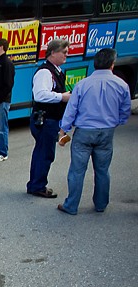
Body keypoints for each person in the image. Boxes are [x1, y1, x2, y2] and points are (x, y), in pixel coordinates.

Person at [56, 48, 132, 215]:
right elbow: (125, 110)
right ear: (112, 65)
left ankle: (71, 205)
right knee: (103, 170)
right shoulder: (122, 85)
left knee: (77, 170)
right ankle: (100, 204)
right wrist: (116, 122)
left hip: (84, 132)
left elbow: (71, 110)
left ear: (95, 64)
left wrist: (63, 130)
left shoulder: (83, 84)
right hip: (106, 132)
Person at [27, 39, 72, 198]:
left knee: (42, 152)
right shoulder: (45, 72)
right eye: (64, 52)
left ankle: (35, 184)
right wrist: (62, 97)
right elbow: (40, 95)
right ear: (53, 52)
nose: (67, 55)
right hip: (46, 120)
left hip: (49, 119)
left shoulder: (56, 70)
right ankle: (38, 186)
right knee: (45, 154)